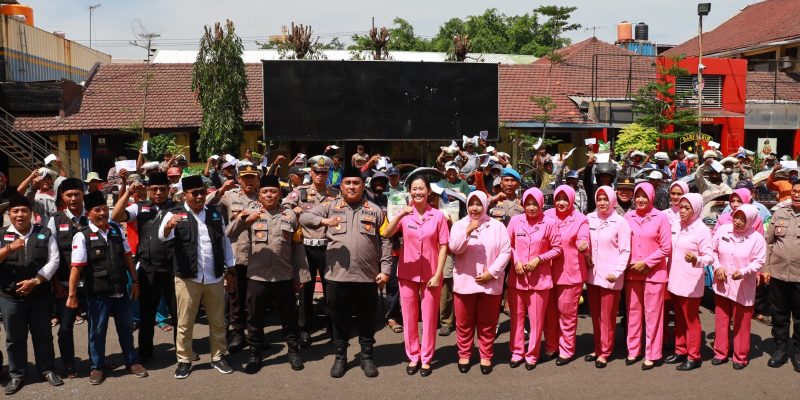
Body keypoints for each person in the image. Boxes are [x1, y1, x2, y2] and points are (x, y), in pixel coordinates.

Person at [299, 167, 392, 378]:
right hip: (336, 277)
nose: (352, 186)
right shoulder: (330, 207)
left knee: (366, 319)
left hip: (367, 276)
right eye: (348, 183)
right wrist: (323, 221)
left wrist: (385, 270)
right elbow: (304, 218)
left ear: (362, 185)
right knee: (338, 320)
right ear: (341, 186)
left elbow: (386, 240)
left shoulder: (375, 210)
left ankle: (367, 356)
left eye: (356, 183)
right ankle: (340, 357)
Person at [226, 174, 311, 374]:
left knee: (289, 317)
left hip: (283, 276)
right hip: (257, 277)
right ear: (259, 194)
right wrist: (244, 220)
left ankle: (293, 351)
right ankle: (255, 354)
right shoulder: (250, 212)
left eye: (273, 191)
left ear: (279, 193)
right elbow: (229, 233)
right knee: (254, 319)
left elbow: (297, 248)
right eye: (265, 192)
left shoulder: (290, 216)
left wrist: (301, 276)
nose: (269, 195)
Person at [159, 175, 236, 379]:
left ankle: (218, 356)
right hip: (188, 278)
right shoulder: (174, 213)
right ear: (185, 194)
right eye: (195, 193)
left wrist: (231, 268)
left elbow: (224, 242)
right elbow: (162, 236)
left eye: (203, 192)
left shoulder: (214, 213)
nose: (200, 196)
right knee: (185, 322)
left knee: (218, 321)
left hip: (214, 276)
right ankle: (184, 359)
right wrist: (169, 226)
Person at [67, 191, 147, 385]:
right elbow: (76, 267)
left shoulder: (116, 230)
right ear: (89, 214)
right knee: (97, 331)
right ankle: (97, 366)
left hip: (120, 289)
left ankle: (131, 361)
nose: (102, 213)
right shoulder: (82, 236)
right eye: (97, 210)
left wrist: (135, 282)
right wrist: (72, 295)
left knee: (126, 328)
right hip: (98, 293)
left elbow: (127, 256)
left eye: (104, 209)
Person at [383, 175, 449, 377]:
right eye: (414, 189)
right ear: (409, 191)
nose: (418, 192)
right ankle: (413, 356)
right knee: (409, 318)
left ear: (429, 191)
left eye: (421, 188)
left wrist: (439, 274)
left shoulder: (438, 216)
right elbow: (386, 233)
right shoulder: (406, 215)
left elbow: (444, 246)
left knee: (429, 318)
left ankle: (427, 358)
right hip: (407, 274)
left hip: (431, 275)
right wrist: (401, 214)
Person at [0, 194, 63, 394]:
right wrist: (10, 248)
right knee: (14, 338)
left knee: (43, 335)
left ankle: (47, 369)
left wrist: (35, 281)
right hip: (10, 298)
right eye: (15, 211)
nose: (20, 215)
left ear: (31, 214)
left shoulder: (44, 232)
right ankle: (17, 374)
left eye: (24, 211)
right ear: (9, 214)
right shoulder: (1, 235)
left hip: (39, 295)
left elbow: (54, 260)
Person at [111, 172, 176, 363]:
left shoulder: (178, 207)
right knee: (147, 313)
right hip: (148, 268)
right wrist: (129, 191)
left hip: (173, 267)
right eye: (154, 189)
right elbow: (115, 216)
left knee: (178, 312)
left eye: (162, 189)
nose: (158, 193)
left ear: (168, 190)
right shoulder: (140, 207)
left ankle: (182, 351)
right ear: (148, 190)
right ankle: (145, 351)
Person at [448, 191, 511, 374]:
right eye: (471, 204)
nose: (474, 208)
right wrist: (468, 230)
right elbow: (454, 248)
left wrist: (491, 273)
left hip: (490, 284)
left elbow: (506, 251)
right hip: (464, 283)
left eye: (478, 204)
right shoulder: (460, 225)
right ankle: (465, 354)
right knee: (464, 323)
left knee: (487, 323)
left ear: (485, 205)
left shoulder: (497, 226)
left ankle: (485, 355)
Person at [282, 156, 340, 348]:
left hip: (327, 246)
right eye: (317, 172)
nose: (320, 175)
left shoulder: (334, 194)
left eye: (324, 172)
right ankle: (304, 329)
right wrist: (294, 210)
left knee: (330, 288)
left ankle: (333, 327)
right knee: (305, 289)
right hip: (305, 246)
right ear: (311, 172)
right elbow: (284, 206)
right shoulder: (300, 192)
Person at [206, 164, 260, 353]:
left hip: (259, 256)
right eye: (245, 177)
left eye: (253, 176)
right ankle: (238, 333)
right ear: (239, 179)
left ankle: (255, 334)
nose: (249, 180)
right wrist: (221, 190)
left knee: (254, 299)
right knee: (236, 297)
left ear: (258, 179)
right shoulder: (231, 196)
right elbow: (207, 204)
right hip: (236, 254)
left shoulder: (264, 197)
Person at [506, 188, 562, 370]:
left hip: (540, 280)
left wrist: (539, 259)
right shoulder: (515, 221)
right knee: (517, 318)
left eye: (534, 204)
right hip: (518, 278)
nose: (531, 207)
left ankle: (532, 354)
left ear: (541, 204)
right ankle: (517, 352)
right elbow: (509, 245)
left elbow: (557, 248)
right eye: (527, 203)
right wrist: (516, 261)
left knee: (536, 320)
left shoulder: (549, 223)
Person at [624, 182, 672, 370]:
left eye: (645, 196)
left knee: (653, 315)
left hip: (654, 274)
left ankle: (652, 353)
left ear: (652, 197)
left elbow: (666, 247)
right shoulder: (628, 217)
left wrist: (647, 262)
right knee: (633, 313)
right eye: (638, 196)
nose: (641, 199)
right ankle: (633, 350)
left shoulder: (661, 218)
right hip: (633, 272)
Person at [712, 204, 766, 369]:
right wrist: (717, 267)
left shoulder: (756, 239)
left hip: (743, 286)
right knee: (721, 320)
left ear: (750, 220)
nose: (738, 221)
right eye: (736, 216)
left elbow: (759, 261)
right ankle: (720, 352)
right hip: (722, 284)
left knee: (741, 323)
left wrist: (744, 271)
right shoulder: (723, 230)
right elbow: (713, 251)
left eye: (743, 219)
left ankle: (740, 356)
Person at [665, 193, 714, 371]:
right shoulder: (677, 224)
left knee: (691, 319)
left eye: (687, 208)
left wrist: (696, 259)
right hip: (675, 278)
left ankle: (694, 356)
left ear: (697, 209)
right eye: (681, 207)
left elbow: (710, 256)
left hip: (691, 282)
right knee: (678, 318)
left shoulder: (701, 230)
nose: (682, 211)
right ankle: (680, 349)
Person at [543, 185, 590, 365]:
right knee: (549, 314)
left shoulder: (580, 219)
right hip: (547, 272)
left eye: (565, 199)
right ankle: (551, 346)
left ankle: (566, 349)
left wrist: (583, 244)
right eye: (558, 199)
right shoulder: (547, 216)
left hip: (570, 273)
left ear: (571, 199)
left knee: (567, 314)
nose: (561, 203)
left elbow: (583, 237)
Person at [45, 177, 86, 378]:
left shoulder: (95, 215)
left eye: (76, 194)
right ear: (62, 197)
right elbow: (50, 255)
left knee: (97, 326)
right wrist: (54, 284)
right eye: (69, 195)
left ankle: (98, 361)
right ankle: (69, 363)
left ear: (83, 195)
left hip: (93, 283)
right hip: (63, 283)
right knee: (65, 329)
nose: (73, 198)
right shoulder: (55, 220)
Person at [585, 186, 631, 368]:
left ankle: (605, 351)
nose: (602, 203)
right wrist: (585, 253)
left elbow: (625, 250)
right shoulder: (589, 218)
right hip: (593, 274)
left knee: (608, 316)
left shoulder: (620, 222)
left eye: (606, 199)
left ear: (612, 200)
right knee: (595, 315)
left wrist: (617, 271)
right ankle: (597, 347)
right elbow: (583, 242)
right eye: (599, 199)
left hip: (611, 275)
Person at [763, 181, 800, 373]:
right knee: (779, 316)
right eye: (794, 191)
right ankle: (780, 350)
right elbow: (768, 243)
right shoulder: (779, 214)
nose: (797, 194)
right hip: (778, 275)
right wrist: (766, 269)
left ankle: (798, 353)